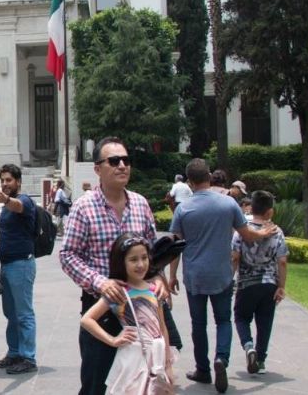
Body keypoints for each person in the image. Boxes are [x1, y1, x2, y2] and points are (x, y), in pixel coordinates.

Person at [60, 137, 164, 395]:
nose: (122, 166)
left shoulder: (140, 204)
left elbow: (152, 250)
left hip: (140, 308)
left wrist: (158, 277)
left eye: (126, 161)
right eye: (114, 161)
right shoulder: (84, 207)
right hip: (102, 309)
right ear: (98, 169)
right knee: (97, 382)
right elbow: (68, 255)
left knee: (141, 380)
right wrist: (101, 282)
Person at [168, 158, 278, 393]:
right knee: (223, 320)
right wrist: (264, 232)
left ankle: (203, 369)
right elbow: (247, 235)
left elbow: (175, 246)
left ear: (189, 182)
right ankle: (222, 359)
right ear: (209, 176)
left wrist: (172, 276)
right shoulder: (229, 204)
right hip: (222, 273)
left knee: (198, 324)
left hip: (195, 275)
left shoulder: (183, 209)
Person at [81, 233, 174, 394]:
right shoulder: (118, 292)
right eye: (133, 260)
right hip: (133, 358)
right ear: (121, 262)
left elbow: (162, 327)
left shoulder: (154, 289)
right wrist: (113, 340)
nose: (140, 264)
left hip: (156, 357)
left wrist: (168, 363)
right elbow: (87, 320)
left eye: (144, 258)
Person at [0, 163, 38, 375]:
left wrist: (6, 199)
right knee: (10, 312)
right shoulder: (5, 207)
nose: (5, 183)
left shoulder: (24, 200)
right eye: (2, 180)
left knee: (24, 313)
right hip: (7, 264)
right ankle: (14, 351)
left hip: (22, 264)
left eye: (9, 180)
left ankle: (28, 357)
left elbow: (18, 206)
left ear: (18, 181)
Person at [232, 190, 288, 375]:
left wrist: (230, 279)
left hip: (247, 282)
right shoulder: (277, 231)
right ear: (269, 211)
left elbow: (235, 257)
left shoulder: (242, 230)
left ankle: (249, 346)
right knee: (265, 321)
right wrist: (281, 286)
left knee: (241, 317)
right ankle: (261, 360)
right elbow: (282, 261)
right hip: (269, 283)